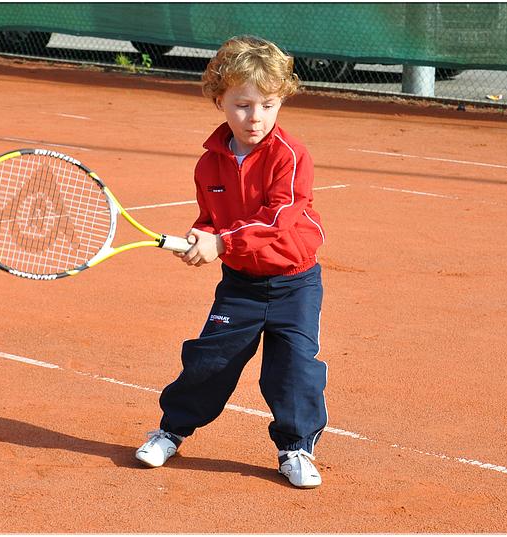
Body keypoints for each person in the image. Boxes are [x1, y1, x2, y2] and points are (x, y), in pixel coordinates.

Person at [135, 35, 328, 489]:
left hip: (294, 283)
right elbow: (212, 217)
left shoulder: (291, 156)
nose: (255, 117)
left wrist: (220, 243)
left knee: (294, 368)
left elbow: (280, 219)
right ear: (220, 100)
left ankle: (295, 448)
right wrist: (202, 234)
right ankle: (171, 431)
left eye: (268, 105)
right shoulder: (209, 165)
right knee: (211, 362)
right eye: (243, 105)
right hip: (239, 284)